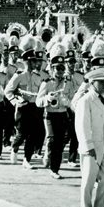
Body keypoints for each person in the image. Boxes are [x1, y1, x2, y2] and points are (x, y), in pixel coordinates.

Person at [74, 66, 104, 207]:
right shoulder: (85, 100)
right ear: (91, 83)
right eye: (100, 82)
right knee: (88, 179)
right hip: (93, 145)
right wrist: (87, 146)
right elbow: (81, 125)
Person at [37, 42, 75, 179]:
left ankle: (55, 169)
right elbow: (38, 102)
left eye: (61, 68)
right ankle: (48, 149)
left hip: (62, 115)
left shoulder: (68, 82)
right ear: (52, 69)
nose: (59, 71)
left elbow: (73, 99)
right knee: (52, 139)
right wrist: (47, 98)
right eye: (57, 68)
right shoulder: (46, 83)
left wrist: (68, 102)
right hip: (50, 115)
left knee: (59, 143)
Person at [5, 35, 44, 167]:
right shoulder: (19, 75)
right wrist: (16, 101)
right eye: (33, 61)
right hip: (23, 108)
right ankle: (14, 149)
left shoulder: (38, 77)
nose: (36, 63)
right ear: (27, 61)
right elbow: (8, 91)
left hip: (35, 108)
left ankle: (27, 159)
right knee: (21, 134)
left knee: (32, 135)